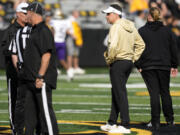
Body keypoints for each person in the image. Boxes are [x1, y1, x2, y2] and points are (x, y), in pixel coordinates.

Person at [100, 4, 145, 134]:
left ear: (115, 14)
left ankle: (125, 125)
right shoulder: (130, 25)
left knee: (120, 93)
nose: (106, 16)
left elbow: (113, 46)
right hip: (127, 63)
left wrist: (109, 59)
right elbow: (141, 44)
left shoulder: (115, 27)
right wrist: (133, 58)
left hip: (118, 62)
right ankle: (111, 122)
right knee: (117, 91)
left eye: (108, 14)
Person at [135, 7, 179, 130]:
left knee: (154, 94)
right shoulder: (167, 31)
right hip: (164, 66)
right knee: (165, 92)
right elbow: (173, 49)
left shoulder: (142, 31)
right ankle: (170, 120)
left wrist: (138, 65)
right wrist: (174, 65)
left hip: (148, 67)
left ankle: (155, 122)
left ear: (149, 16)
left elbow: (136, 49)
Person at [20, 2, 59, 134]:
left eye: (27, 13)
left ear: (32, 12)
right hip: (31, 80)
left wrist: (40, 76)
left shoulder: (43, 30)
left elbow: (46, 56)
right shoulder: (34, 29)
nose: (26, 16)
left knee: (45, 114)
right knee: (30, 116)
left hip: (40, 80)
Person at [1, 2, 28, 135]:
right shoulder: (11, 30)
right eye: (24, 13)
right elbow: (5, 50)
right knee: (14, 100)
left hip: (28, 73)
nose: (27, 15)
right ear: (17, 14)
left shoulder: (31, 29)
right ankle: (15, 128)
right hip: (14, 72)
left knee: (28, 101)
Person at [50, 9, 74, 80]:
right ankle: (69, 72)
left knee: (50, 58)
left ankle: (55, 70)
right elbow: (67, 30)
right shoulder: (66, 22)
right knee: (62, 60)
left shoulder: (53, 21)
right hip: (62, 42)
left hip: (55, 42)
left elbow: (52, 30)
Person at [66, 10, 85, 77]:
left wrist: (79, 39)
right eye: (77, 13)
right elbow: (67, 29)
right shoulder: (69, 19)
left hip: (76, 38)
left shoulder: (77, 20)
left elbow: (78, 31)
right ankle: (69, 67)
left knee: (76, 53)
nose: (78, 14)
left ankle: (76, 67)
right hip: (71, 38)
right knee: (70, 53)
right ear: (73, 13)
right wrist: (72, 35)